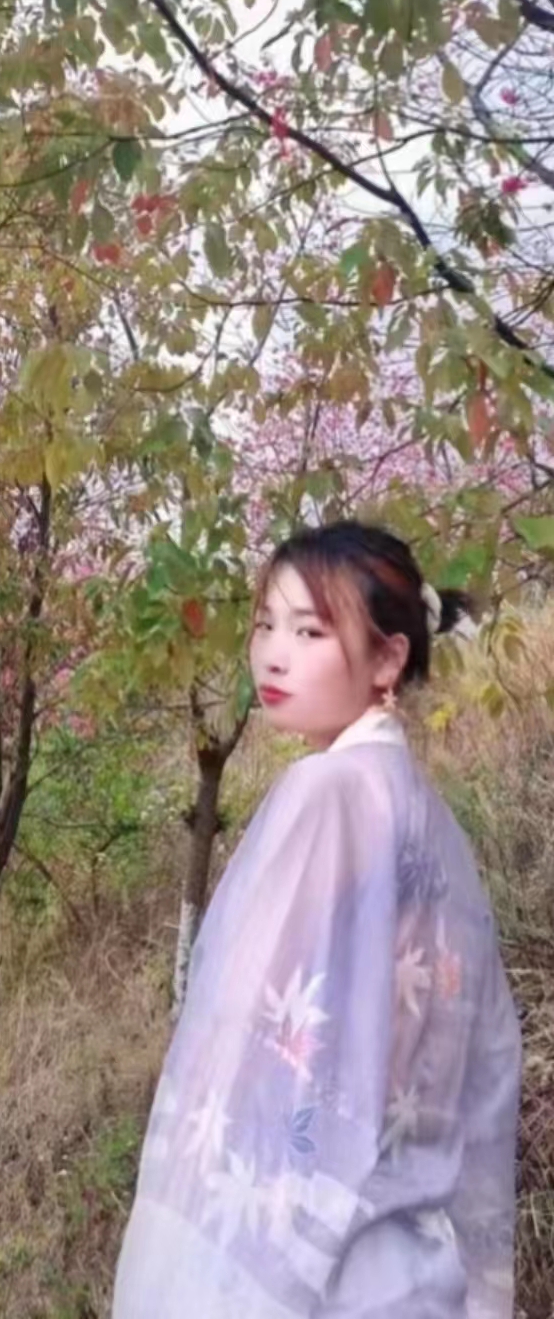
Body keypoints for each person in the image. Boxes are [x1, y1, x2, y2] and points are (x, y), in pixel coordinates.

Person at [112, 521, 523, 1319]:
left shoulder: (325, 794)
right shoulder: (433, 824)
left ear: (388, 659)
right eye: (265, 624)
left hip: (323, 1276)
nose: (273, 655)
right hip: (418, 1271)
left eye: (308, 632)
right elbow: (486, 1055)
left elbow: (246, 1041)